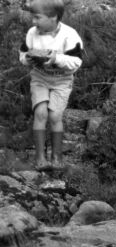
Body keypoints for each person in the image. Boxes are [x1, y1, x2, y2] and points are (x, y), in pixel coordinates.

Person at [19, 0, 83, 170]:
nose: (33, 22)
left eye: (37, 18)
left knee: (54, 117)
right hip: (39, 78)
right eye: (32, 17)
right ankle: (40, 158)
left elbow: (77, 61)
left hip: (62, 81)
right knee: (40, 113)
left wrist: (56, 59)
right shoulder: (32, 33)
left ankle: (57, 157)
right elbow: (23, 53)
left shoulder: (70, 35)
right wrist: (28, 59)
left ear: (53, 17)